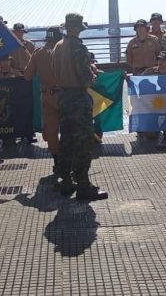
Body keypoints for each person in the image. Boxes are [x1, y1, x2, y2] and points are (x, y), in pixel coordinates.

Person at [52, 13, 108, 201]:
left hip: (64, 97)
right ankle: (84, 185)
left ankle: (66, 181)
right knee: (84, 143)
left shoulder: (58, 46)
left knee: (67, 140)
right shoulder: (77, 46)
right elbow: (85, 77)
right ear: (78, 28)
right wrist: (92, 75)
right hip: (77, 97)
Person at [24, 26, 62, 170]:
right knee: (69, 128)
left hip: (47, 96)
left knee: (51, 129)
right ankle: (68, 159)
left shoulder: (38, 53)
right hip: (66, 95)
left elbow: (27, 76)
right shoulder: (65, 52)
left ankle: (57, 160)